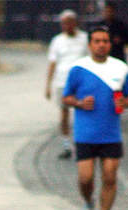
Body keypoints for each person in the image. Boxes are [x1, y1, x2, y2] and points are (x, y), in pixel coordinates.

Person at [62, 27, 128, 210]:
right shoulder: (78, 68)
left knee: (110, 176)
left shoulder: (120, 68)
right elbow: (66, 98)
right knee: (85, 178)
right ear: (90, 45)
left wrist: (126, 102)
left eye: (105, 41)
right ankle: (88, 204)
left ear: (110, 44)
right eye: (97, 41)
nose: (101, 44)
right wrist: (79, 103)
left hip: (111, 133)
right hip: (85, 134)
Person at [45, 10, 89, 160]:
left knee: (82, 111)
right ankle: (66, 145)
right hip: (62, 81)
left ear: (75, 23)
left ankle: (82, 143)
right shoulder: (57, 41)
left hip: (81, 82)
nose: (66, 26)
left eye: (69, 22)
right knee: (64, 114)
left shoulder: (84, 38)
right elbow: (52, 63)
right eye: (64, 23)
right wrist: (48, 85)